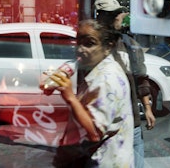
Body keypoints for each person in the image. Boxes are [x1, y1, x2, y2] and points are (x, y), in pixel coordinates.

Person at [50, 19, 134, 167]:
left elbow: (94, 133)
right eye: (78, 42)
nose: (80, 49)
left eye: (89, 43)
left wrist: (70, 97)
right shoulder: (98, 70)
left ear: (108, 47)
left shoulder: (106, 80)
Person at [94, 0, 156, 168]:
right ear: (100, 17)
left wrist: (148, 108)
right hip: (103, 125)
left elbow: (141, 78)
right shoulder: (92, 45)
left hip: (131, 123)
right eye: (110, 15)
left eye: (117, 14)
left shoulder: (129, 44)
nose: (117, 18)